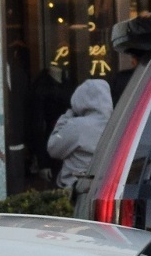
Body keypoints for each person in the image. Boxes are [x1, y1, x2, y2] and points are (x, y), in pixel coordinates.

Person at [46, 77, 112, 207]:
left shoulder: (77, 126)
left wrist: (67, 116)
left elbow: (53, 148)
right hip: (105, 187)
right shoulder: (117, 124)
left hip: (75, 188)